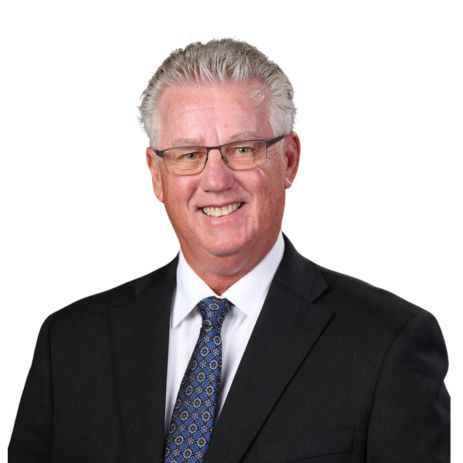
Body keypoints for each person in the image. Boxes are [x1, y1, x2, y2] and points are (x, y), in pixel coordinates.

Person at [9, 38, 449, 463]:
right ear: (157, 174)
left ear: (289, 160)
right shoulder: (69, 345)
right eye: (188, 154)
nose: (216, 180)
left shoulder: (388, 345)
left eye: (242, 149)